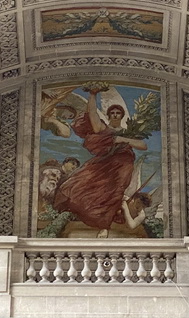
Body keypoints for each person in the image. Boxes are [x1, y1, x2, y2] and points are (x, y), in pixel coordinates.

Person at [53, 88, 146, 237]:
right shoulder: (103, 128)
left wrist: (123, 139)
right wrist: (92, 94)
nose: (115, 115)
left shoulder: (127, 132)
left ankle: (104, 227)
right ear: (109, 116)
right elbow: (93, 114)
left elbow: (142, 145)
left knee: (115, 193)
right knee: (81, 184)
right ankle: (83, 215)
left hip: (123, 165)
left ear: (121, 116)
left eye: (118, 113)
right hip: (104, 163)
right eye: (113, 113)